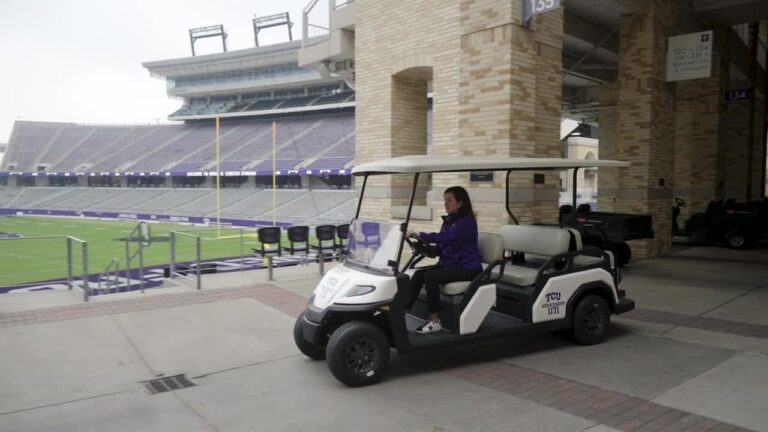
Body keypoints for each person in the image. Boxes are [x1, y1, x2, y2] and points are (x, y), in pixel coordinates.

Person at [407, 186, 482, 334]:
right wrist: (424, 249)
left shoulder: (466, 222)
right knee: (418, 275)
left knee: (431, 276)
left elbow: (447, 238)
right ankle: (401, 312)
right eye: (444, 200)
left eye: (449, 200)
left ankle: (435, 321)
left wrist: (422, 235)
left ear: (460, 203)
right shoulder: (449, 222)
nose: (445, 203)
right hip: (452, 264)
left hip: (468, 268)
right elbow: (442, 248)